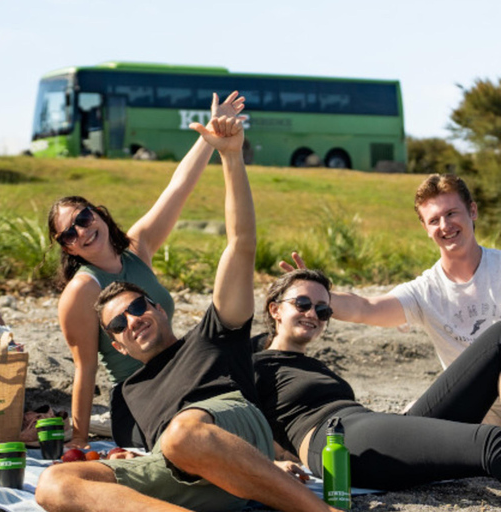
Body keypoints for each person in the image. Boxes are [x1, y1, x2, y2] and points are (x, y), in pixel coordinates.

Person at [35, 109, 338, 512]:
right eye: (119, 324)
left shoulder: (211, 338)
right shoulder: (127, 394)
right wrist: (89, 444)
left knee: (184, 434)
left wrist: (227, 154)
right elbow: (84, 369)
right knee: (54, 484)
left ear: (160, 307)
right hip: (176, 461)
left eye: (139, 306)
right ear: (118, 347)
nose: (133, 320)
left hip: (213, 432)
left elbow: (239, 243)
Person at [48, 91, 245, 448]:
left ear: (98, 213)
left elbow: (178, 188)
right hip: (139, 396)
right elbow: (85, 369)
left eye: (84, 217)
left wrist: (210, 139)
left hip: (178, 371)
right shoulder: (81, 291)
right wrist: (79, 439)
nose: (82, 229)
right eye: (69, 232)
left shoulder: (138, 247)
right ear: (67, 247)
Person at [281, 173, 501, 424]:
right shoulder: (425, 292)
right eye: (434, 220)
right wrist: (316, 294)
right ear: (425, 228)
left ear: (472, 211)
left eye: (451, 213)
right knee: (411, 419)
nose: (445, 226)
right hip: (472, 408)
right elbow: (366, 308)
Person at [254, 268, 501, 490]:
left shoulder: (314, 366)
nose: (312, 313)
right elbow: (227, 418)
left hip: (373, 431)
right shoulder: (257, 364)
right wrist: (270, 463)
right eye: (302, 303)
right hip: (338, 444)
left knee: (497, 336)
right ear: (275, 309)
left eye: (322, 309)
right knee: (491, 443)